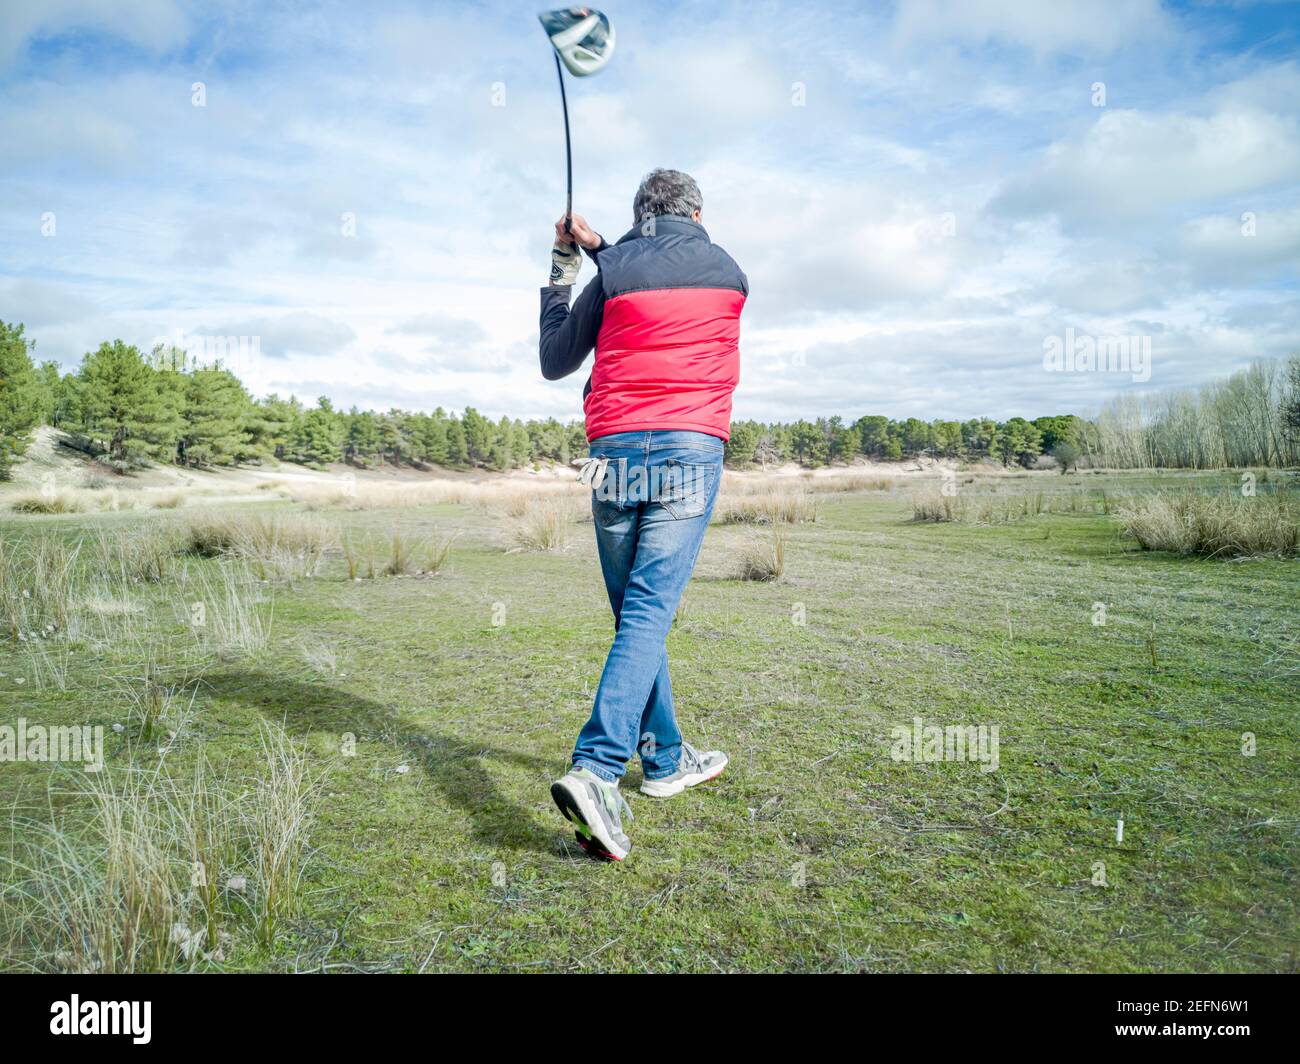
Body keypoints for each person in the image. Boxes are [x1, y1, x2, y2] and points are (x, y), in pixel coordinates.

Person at [538, 168, 748, 860]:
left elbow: (554, 360)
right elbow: (663, 255)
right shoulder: (727, 271)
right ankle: (598, 770)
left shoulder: (615, 274)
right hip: (688, 448)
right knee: (648, 610)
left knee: (637, 612)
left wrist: (561, 273)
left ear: (639, 218)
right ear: (695, 211)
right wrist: (600, 245)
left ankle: (662, 761)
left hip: (609, 452)